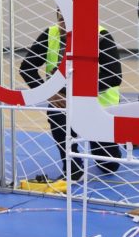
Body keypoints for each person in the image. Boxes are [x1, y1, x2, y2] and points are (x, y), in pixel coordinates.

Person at [19, 11, 122, 179]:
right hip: (66, 103)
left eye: (70, 20)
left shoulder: (101, 36)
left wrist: (77, 92)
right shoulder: (50, 34)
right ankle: (72, 167)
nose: (65, 24)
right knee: (56, 113)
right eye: (61, 19)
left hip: (100, 105)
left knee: (109, 166)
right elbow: (26, 68)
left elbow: (114, 76)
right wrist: (49, 93)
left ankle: (103, 143)